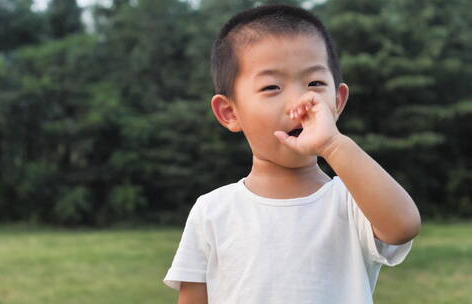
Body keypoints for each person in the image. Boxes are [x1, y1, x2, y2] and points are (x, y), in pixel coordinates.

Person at [163, 4, 421, 304]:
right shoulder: (212, 211)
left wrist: (334, 144)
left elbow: (403, 226)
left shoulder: (352, 201)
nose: (300, 101)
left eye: (315, 83)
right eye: (272, 86)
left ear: (337, 102)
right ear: (229, 112)